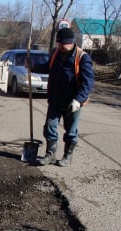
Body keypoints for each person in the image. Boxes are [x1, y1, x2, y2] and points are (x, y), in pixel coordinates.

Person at [33, 27, 94, 166]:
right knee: (50, 127)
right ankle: (50, 154)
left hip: (72, 102)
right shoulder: (56, 53)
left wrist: (78, 100)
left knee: (71, 131)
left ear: (71, 42)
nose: (60, 46)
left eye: (63, 44)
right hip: (55, 99)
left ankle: (67, 156)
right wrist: (33, 66)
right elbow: (48, 67)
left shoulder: (82, 58)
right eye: (58, 43)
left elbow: (88, 82)